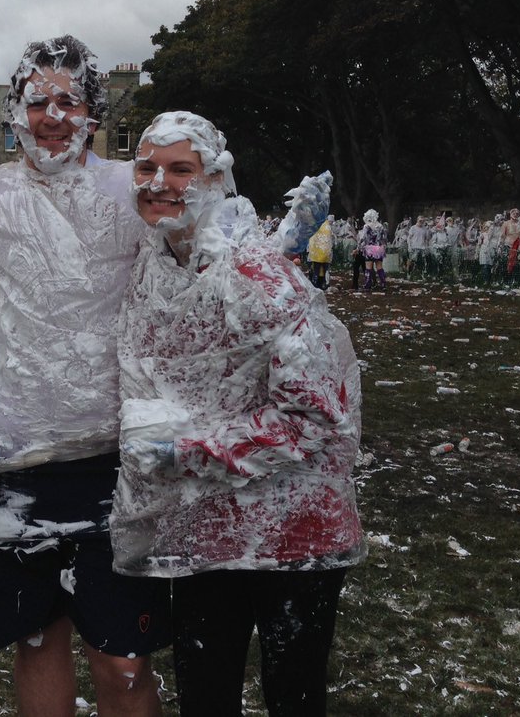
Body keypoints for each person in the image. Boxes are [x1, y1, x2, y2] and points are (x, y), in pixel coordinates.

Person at [0, 35, 171, 717]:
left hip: (114, 455)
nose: (52, 115)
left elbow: (192, 281)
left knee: (124, 662)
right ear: (14, 113)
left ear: (93, 115)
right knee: (38, 641)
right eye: (36, 101)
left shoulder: (131, 192)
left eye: (68, 101)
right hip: (14, 456)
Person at [110, 111, 365, 716]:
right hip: (206, 525)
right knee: (205, 692)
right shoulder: (155, 267)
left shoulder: (254, 271)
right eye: (147, 167)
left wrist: (185, 451)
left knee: (293, 696)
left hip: (294, 529)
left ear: (215, 178)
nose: (158, 182)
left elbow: (316, 416)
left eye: (180, 169)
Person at [359, 209, 387, 291]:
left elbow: (362, 238)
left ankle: (368, 285)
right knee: (379, 267)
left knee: (368, 267)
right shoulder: (380, 226)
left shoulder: (367, 226)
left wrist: (359, 247)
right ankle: (383, 284)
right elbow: (384, 238)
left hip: (370, 249)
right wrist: (384, 247)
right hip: (379, 248)